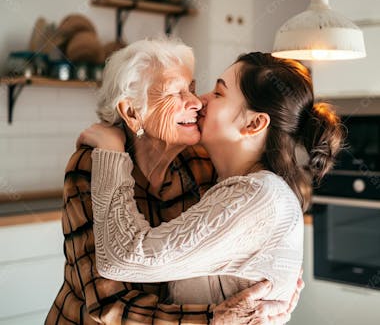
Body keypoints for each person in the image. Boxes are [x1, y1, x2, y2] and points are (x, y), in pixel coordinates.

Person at [46, 39, 303, 325]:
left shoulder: (201, 162)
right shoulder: (91, 166)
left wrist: (276, 292)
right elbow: (108, 303)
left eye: (192, 88)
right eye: (175, 93)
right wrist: (212, 320)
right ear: (132, 113)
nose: (196, 102)